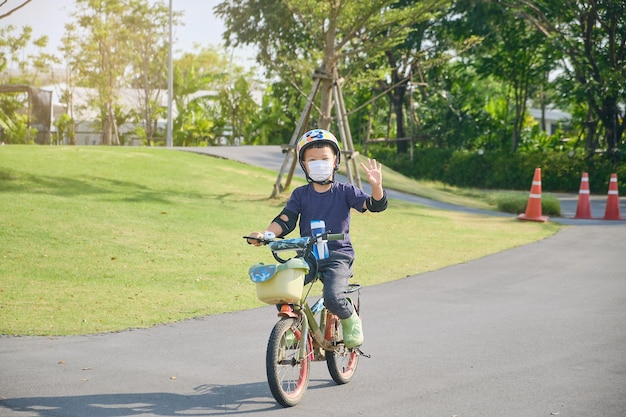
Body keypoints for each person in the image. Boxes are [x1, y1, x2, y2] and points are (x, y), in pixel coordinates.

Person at [247, 128, 388, 348]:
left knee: (332, 297)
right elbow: (285, 220)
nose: (319, 163)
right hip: (308, 256)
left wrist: (377, 187)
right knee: (283, 290)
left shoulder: (345, 191)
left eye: (324, 158)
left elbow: (374, 205)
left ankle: (351, 319)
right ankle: (293, 326)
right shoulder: (300, 194)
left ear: (335, 161)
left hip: (337, 256)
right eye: (312, 160)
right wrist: (265, 235)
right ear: (304, 164)